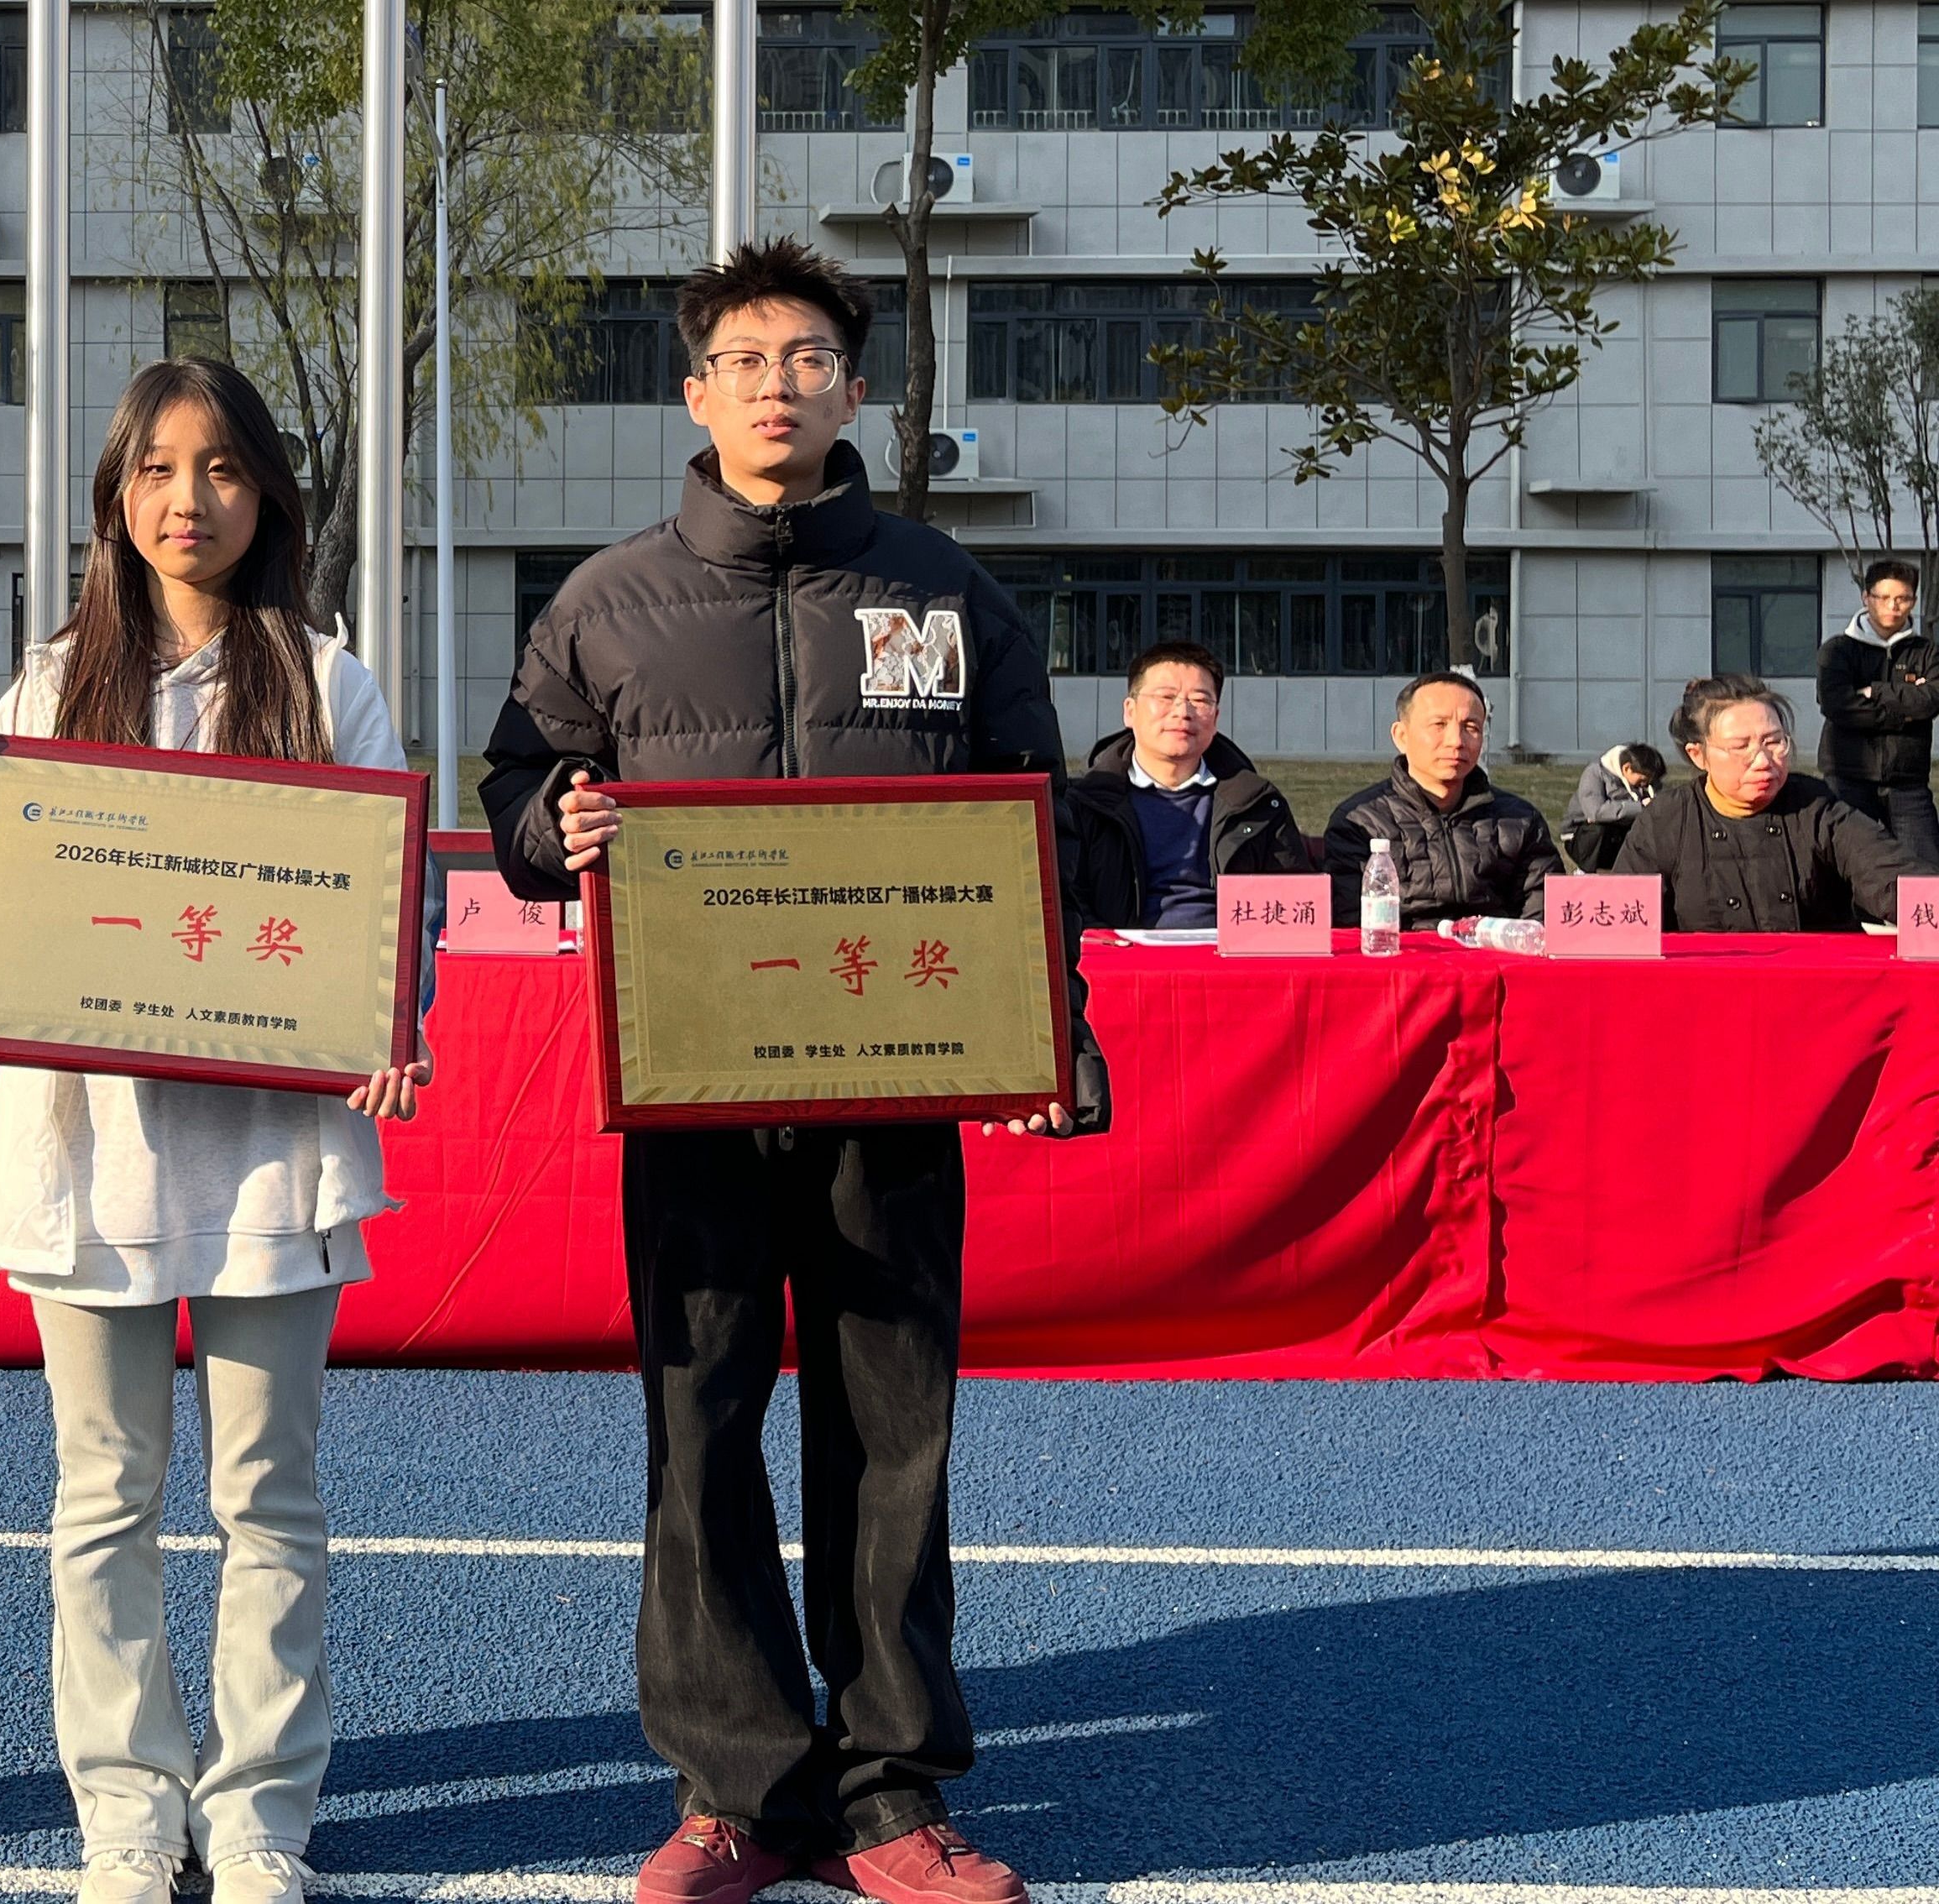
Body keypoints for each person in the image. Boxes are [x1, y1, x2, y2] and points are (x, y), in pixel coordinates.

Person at [479, 238, 1104, 1904]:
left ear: (855, 388)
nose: (778, 383)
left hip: (892, 1091)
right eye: (746, 359)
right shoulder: (606, 600)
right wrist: (556, 824)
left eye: (808, 356)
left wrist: (1046, 1032)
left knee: (891, 1432)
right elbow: (520, 791)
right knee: (698, 1426)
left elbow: (1031, 825)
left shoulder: (943, 592)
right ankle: (734, 1788)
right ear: (695, 393)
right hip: (691, 1087)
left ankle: (890, 1789)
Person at [0, 359, 433, 1904]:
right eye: (153, 468)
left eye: (218, 468)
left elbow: (389, 902)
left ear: (264, 490)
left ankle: (262, 1811)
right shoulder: (47, 683)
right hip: (90, 1146)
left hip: (275, 1150)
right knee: (104, 1498)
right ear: (114, 496)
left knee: (268, 1494)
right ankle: (129, 1811)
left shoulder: (328, 683)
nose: (185, 499)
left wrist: (388, 1021)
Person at [1613, 673, 1921, 929]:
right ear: (1698, 755)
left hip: (1812, 979)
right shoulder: (1666, 820)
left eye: (1774, 742)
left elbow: (1890, 876)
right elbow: (1621, 921)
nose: (1762, 761)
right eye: (1740, 746)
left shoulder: (1815, 807)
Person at [1069, 641, 1306, 928]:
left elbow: (1293, 905)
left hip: (1227, 953)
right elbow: (1068, 904)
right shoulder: (1085, 803)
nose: (1183, 711)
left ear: (1215, 718)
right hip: (1121, 953)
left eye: (1200, 700)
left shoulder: (1256, 803)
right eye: (1166, 697)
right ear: (1130, 711)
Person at [1325, 672, 1559, 928]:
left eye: (1471, 728)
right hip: (1401, 951)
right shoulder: (1361, 823)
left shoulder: (1519, 821)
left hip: (1495, 950)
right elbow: (1350, 924)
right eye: (1439, 725)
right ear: (1401, 736)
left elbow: (1544, 915)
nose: (1456, 741)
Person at [1812, 557, 1939, 866]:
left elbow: (1931, 701)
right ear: (1866, 597)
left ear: (1913, 601)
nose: (1893, 606)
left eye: (1903, 598)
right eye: (1883, 597)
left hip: (1908, 782)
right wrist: (1904, 715)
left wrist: (1875, 691)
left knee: (1925, 871)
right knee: (1846, 867)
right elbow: (1838, 706)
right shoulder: (1838, 650)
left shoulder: (1927, 653)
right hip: (1848, 778)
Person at [1559, 742, 1667, 872]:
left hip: (1619, 833)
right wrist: (1640, 807)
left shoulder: (1649, 783)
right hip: (1582, 838)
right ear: (1627, 768)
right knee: (1599, 829)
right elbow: (1596, 812)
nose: (1644, 785)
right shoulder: (1595, 773)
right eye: (1642, 780)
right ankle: (1585, 872)